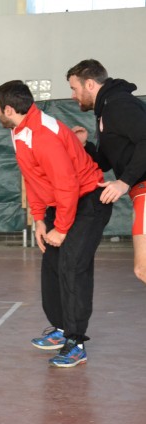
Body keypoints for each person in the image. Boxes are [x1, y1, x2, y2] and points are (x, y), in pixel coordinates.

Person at [0, 80, 112, 367]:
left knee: (72, 268)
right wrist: (39, 220)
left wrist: (61, 227)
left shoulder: (42, 134)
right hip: (62, 204)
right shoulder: (20, 131)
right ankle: (60, 329)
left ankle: (76, 342)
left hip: (86, 203)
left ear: (9, 109)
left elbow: (67, 185)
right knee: (52, 266)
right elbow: (32, 176)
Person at [66, 59, 146, 285]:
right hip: (140, 190)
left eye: (74, 88)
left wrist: (124, 182)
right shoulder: (106, 110)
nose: (73, 95)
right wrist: (85, 146)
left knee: (143, 269)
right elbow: (106, 161)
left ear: (90, 84)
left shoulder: (118, 104)